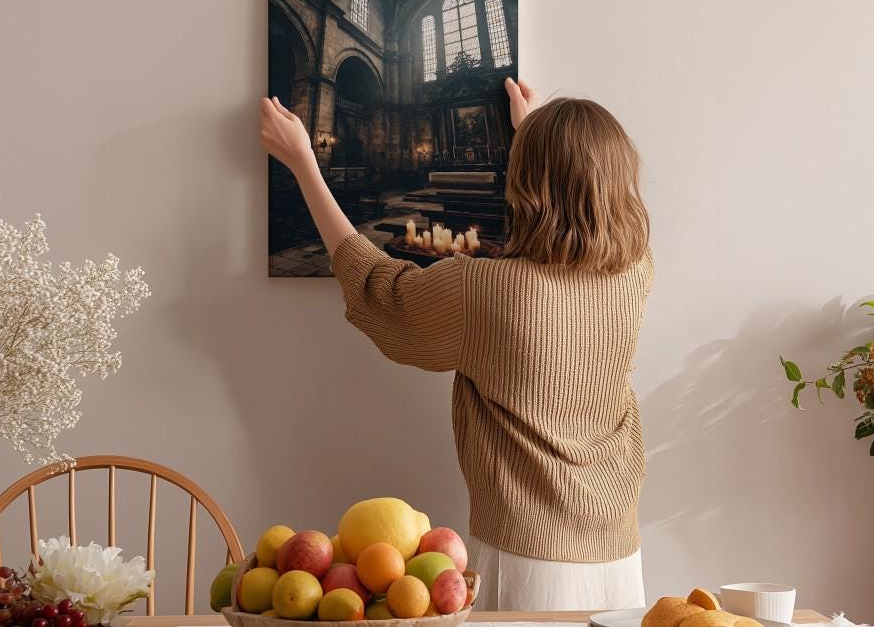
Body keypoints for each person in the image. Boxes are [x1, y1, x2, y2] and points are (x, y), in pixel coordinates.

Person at [259, 78, 653, 611]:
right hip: (621, 556)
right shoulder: (635, 272)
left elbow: (377, 284)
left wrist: (304, 161)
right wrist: (534, 134)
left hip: (527, 558)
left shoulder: (486, 289)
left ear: (526, 181)